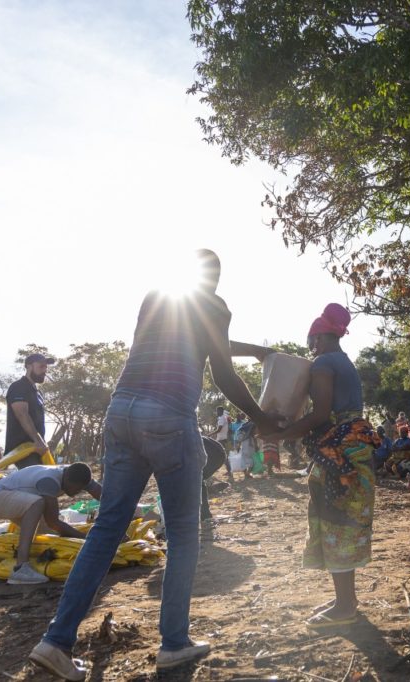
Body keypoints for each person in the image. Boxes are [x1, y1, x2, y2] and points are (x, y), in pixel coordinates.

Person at [30, 249, 279, 680]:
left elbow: (189, 341)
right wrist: (260, 418)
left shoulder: (155, 297)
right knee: (184, 533)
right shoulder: (216, 306)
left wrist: (253, 349)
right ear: (215, 279)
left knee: (108, 526)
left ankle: (56, 640)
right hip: (167, 414)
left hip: (121, 411)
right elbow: (220, 369)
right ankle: (174, 642)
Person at [268, 302, 378, 631]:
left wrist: (280, 433)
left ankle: (345, 606)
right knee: (341, 519)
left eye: (309, 342)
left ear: (317, 338)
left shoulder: (323, 363)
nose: (309, 348)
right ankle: (346, 601)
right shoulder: (342, 361)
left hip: (340, 453)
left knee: (336, 519)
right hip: (353, 447)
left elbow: (319, 415)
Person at [0, 463, 101, 585]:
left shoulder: (77, 473)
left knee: (53, 533)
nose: (77, 492)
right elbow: (53, 522)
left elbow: (101, 493)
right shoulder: (49, 481)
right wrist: (87, 539)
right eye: (76, 488)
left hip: (19, 500)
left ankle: (27, 558)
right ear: (67, 480)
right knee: (38, 504)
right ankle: (20, 569)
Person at [6, 353, 55, 468]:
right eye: (41, 366)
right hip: (23, 448)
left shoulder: (37, 392)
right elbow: (22, 414)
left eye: (46, 367)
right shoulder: (19, 386)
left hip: (36, 447)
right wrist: (38, 441)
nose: (44, 370)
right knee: (36, 483)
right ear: (29, 366)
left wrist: (42, 442)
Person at [209, 406, 235, 485]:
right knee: (223, 455)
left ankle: (212, 470)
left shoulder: (221, 418)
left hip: (221, 439)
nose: (217, 413)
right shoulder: (224, 417)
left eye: (217, 411)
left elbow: (219, 429)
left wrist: (210, 434)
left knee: (219, 455)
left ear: (220, 411)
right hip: (222, 438)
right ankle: (229, 471)